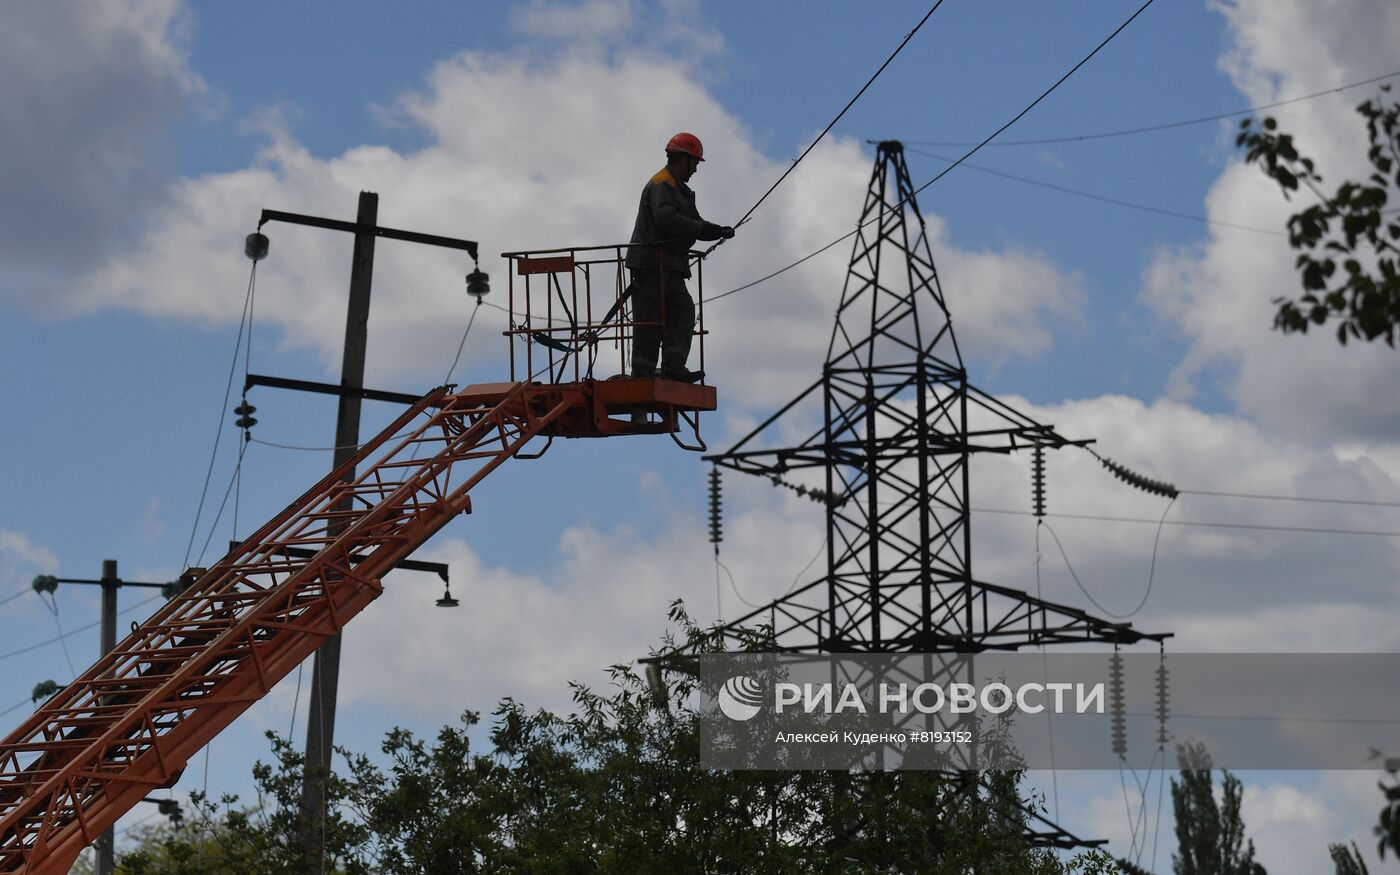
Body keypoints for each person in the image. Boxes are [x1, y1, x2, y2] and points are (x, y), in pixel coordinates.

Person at [625, 131, 734, 382]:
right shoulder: (661, 184)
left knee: (683, 312)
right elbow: (666, 220)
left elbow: (695, 222)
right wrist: (702, 229)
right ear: (682, 159)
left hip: (670, 266)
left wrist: (716, 231)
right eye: (694, 163)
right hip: (650, 265)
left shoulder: (681, 191)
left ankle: (674, 368)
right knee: (650, 321)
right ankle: (642, 375)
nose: (695, 169)